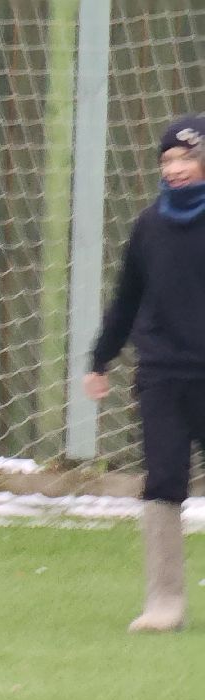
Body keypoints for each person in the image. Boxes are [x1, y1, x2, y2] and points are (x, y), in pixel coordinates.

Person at [84, 114, 205, 633]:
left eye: (187, 158)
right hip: (160, 374)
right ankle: (164, 603)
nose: (175, 169)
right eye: (168, 160)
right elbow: (127, 298)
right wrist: (100, 359)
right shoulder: (149, 226)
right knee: (162, 481)